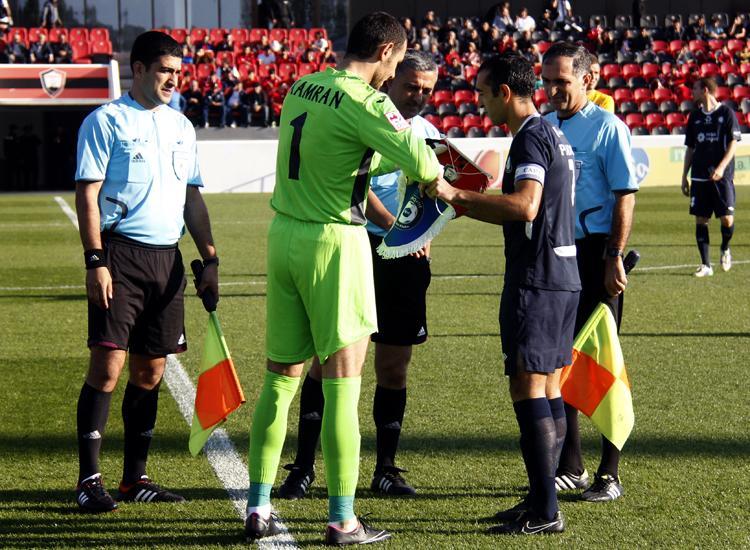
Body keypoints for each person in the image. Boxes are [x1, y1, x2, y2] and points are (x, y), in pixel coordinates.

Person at [244, 11, 442, 545]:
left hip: (284, 235)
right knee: (342, 384)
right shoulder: (369, 101)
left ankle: (257, 506)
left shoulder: (301, 87)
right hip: (335, 242)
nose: (393, 75)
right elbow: (425, 165)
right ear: (386, 52)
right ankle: (342, 518)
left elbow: (336, 158)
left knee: (280, 380)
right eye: (396, 64)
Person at [424, 52, 579, 535]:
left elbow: (526, 206)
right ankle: (540, 498)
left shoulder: (531, 136)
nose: (480, 102)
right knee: (548, 386)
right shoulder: (551, 133)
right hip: (562, 276)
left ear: (505, 93)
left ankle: (545, 512)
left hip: (538, 279)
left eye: (483, 93)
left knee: (528, 387)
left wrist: (456, 195)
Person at [277, 50, 440, 502]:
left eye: (427, 90)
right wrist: (398, 226)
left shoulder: (428, 134)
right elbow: (355, 187)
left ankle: (385, 468)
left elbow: (436, 190)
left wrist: (424, 228)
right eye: (411, 86)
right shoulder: (362, 113)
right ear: (391, 78)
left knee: (394, 364)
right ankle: (303, 467)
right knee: (328, 359)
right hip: (354, 244)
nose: (419, 96)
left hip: (404, 258)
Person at [73, 31, 218, 513]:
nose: (174, 80)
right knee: (107, 366)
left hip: (167, 261)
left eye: (178, 72)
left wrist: (210, 258)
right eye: (164, 71)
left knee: (151, 370)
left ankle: (134, 479)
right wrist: (96, 261)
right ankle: (89, 480)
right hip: (120, 257)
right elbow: (87, 194)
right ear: (138, 69)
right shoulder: (105, 120)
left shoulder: (182, 126)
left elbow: (192, 198)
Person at [542, 42, 638, 502]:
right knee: (561, 359)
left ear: (586, 79)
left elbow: (624, 195)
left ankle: (610, 474)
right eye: (546, 81)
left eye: (561, 81)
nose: (552, 90)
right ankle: (572, 465)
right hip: (556, 255)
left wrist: (614, 255)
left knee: (602, 360)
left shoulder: (608, 128)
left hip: (596, 254)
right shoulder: (543, 126)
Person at [681, 77, 741, 276]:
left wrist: (722, 167)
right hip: (699, 176)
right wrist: (684, 176)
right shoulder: (695, 116)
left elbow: (733, 143)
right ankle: (706, 265)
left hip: (722, 177)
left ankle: (725, 248)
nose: (692, 92)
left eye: (695, 88)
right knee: (701, 220)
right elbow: (690, 148)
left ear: (705, 90)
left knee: (727, 220)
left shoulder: (726, 113)